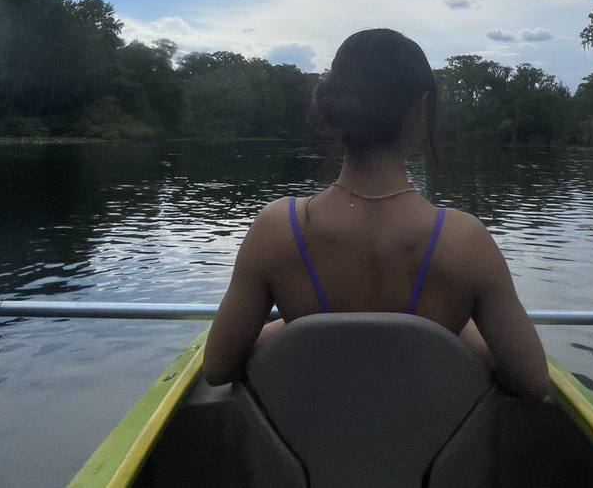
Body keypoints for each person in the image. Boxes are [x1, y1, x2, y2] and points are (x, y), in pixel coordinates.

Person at [203, 28, 549, 399]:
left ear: (336, 108)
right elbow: (530, 382)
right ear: (421, 107)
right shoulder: (465, 241)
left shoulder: (277, 229)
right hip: (431, 454)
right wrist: (458, 330)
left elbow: (219, 368)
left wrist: (291, 326)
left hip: (307, 453)